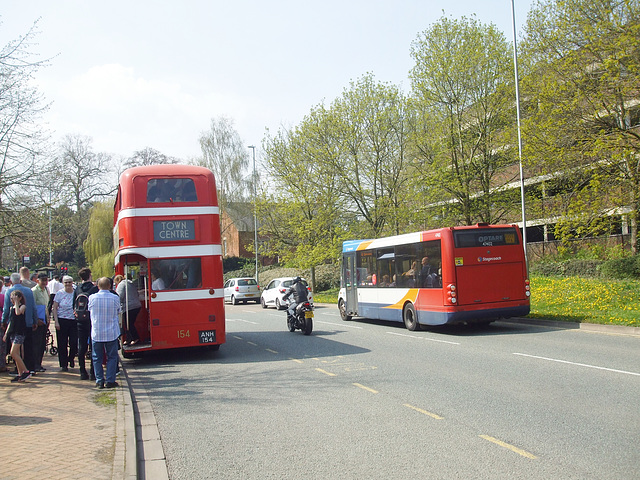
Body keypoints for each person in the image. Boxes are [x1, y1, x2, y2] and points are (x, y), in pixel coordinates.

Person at [89, 277, 122, 389]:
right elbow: (119, 311)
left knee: (97, 357)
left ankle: (99, 381)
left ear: (98, 286)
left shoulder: (92, 298)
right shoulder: (114, 298)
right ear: (109, 286)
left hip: (97, 332)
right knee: (112, 357)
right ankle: (110, 380)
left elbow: (90, 311)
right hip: (111, 331)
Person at [3, 272, 38, 373]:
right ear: (21, 281)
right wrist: (35, 320)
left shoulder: (9, 292)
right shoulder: (29, 291)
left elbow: (6, 310)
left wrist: (3, 321)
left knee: (16, 350)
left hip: (16, 326)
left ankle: (20, 370)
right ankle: (30, 367)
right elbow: (33, 307)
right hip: (28, 323)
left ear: (10, 282)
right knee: (28, 347)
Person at [75, 267, 99, 380]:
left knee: (82, 346)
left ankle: (82, 371)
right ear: (90, 275)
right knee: (93, 346)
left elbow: (73, 305)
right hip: (92, 320)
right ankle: (93, 372)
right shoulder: (94, 289)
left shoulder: (77, 289)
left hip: (80, 321)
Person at [3, 290, 31, 382]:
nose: (12, 300)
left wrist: (16, 303)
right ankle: (20, 374)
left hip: (20, 333)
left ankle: (26, 371)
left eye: (14, 297)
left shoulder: (22, 306)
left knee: (13, 353)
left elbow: (18, 313)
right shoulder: (12, 308)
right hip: (13, 333)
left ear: (19, 298)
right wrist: (6, 334)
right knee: (16, 354)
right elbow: (11, 322)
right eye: (11, 298)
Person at [52, 275, 78, 371]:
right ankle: (63, 364)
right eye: (66, 282)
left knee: (74, 342)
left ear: (72, 283)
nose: (68, 284)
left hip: (73, 320)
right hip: (62, 320)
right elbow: (54, 307)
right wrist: (56, 322)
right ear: (63, 283)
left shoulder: (75, 293)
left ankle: (71, 358)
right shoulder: (59, 293)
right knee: (62, 343)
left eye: (69, 282)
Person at [31, 273, 50, 373]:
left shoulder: (46, 290)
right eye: (42, 280)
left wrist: (48, 318)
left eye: (46, 280)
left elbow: (46, 305)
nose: (44, 282)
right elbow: (33, 307)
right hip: (38, 321)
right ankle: (35, 364)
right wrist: (36, 320)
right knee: (36, 344)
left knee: (43, 343)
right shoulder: (34, 291)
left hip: (45, 320)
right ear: (38, 280)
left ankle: (39, 363)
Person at [116, 274, 141, 345]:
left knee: (128, 324)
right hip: (136, 305)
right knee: (129, 323)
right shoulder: (131, 283)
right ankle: (128, 338)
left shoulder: (121, 285)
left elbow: (119, 296)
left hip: (128, 306)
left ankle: (135, 338)